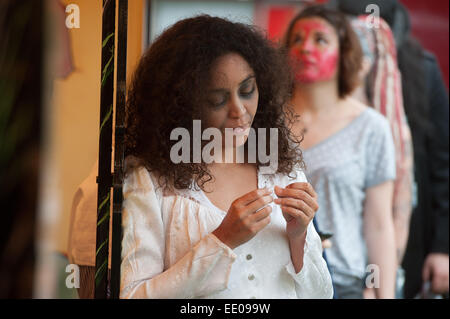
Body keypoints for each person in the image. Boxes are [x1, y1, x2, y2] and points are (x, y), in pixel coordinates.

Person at [120, 15, 333, 299]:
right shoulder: (149, 179)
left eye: (247, 91)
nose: (239, 110)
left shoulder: (281, 165)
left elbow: (320, 295)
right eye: (217, 100)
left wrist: (298, 237)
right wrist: (222, 240)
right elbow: (133, 295)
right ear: (181, 105)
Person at [329, 0, 449, 299]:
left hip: (409, 232)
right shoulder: (324, 72)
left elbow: (443, 165)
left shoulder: (420, 67)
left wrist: (443, 248)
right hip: (337, 242)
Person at [282, 5, 397, 298]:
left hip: (345, 284)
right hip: (277, 281)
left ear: (345, 51)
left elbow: (380, 224)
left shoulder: (371, 127)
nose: (305, 48)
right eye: (296, 40)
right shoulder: (261, 122)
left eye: (320, 39)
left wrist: (382, 292)